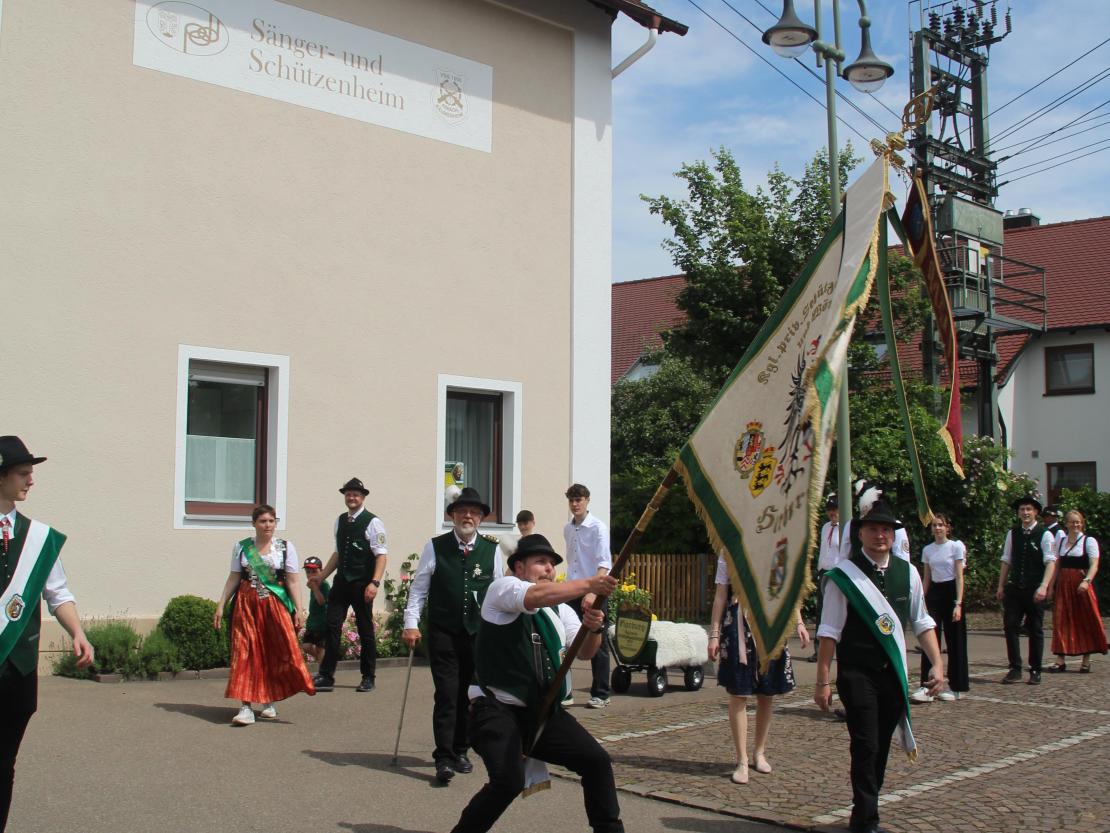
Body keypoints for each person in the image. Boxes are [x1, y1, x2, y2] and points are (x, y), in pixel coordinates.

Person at [450, 533, 622, 833]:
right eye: (540, 562)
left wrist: (594, 629)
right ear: (519, 567)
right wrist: (590, 584)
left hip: (543, 711)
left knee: (596, 762)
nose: (548, 569)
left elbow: (584, 652)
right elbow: (534, 597)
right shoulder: (502, 589)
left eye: (552, 564)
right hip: (496, 709)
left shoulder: (561, 610)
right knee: (508, 781)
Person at [815, 498, 943, 833]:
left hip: (892, 675)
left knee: (881, 744)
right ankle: (866, 819)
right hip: (856, 672)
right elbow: (829, 630)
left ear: (893, 535)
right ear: (861, 534)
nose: (880, 535)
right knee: (866, 743)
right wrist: (823, 680)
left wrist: (937, 663)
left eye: (886, 529)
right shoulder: (844, 576)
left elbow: (922, 621)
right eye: (873, 529)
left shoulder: (908, 572)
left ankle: (866, 809)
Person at [0, 436, 94, 832]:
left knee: (4, 763)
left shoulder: (38, 538)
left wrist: (78, 631)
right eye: (23, 473)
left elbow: (58, 593)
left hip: (18, 669)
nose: (31, 480)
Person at [404, 487, 504, 785]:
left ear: (481, 518)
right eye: (462, 511)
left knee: (469, 694)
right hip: (444, 631)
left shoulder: (492, 549)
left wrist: (501, 631)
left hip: (477, 634)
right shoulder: (435, 546)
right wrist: (411, 623)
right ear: (453, 516)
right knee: (447, 694)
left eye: (474, 512)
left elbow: (498, 593)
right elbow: (419, 588)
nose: (468, 516)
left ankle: (461, 749)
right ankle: (444, 757)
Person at [708, 554, 809, 783]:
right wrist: (714, 634)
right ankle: (741, 759)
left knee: (767, 692)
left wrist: (799, 622)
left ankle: (759, 751)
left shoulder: (776, 546)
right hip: (738, 624)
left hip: (769, 622)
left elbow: (787, 589)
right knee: (738, 693)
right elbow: (721, 594)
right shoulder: (730, 548)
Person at [214, 504, 313, 725]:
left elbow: (293, 581)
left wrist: (299, 609)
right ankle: (246, 706)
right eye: (262, 521)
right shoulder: (241, 547)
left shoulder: (285, 547)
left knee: (275, 650)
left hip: (275, 605)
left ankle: (268, 700)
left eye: (271, 521)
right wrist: (221, 604)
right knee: (245, 651)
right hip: (246, 605)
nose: (267, 525)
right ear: (254, 523)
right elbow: (234, 577)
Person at [313, 477, 388, 693]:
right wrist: (322, 576)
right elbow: (338, 553)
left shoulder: (373, 522)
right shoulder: (340, 520)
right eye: (348, 494)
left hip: (362, 583)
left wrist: (374, 583)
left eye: (355, 494)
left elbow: (381, 556)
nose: (351, 497)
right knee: (332, 626)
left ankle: (368, 677)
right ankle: (326, 675)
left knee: (365, 630)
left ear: (363, 497)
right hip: (341, 583)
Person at [997, 495, 1056, 685]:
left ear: (1036, 512)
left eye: (1029, 509)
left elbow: (1050, 562)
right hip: (1015, 587)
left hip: (1034, 587)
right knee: (1010, 626)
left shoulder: (1045, 534)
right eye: (1022, 509)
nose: (1025, 513)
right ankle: (1015, 668)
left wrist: (1044, 586)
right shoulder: (1013, 533)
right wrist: (1001, 585)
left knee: (1035, 629)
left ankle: (1035, 669)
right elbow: (1006, 559)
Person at [563, 483, 613, 709]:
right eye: (572, 500)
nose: (575, 504)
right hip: (573, 589)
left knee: (597, 641)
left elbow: (604, 563)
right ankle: (565, 691)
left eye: (579, 500)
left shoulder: (598, 527)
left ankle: (601, 693)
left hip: (595, 590)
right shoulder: (568, 528)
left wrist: (593, 591)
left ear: (587, 500)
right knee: (566, 639)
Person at [913, 514, 968, 702]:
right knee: (929, 637)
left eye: (941, 525)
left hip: (951, 591)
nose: (937, 528)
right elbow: (927, 577)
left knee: (955, 641)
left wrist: (958, 603)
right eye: (934, 525)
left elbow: (959, 576)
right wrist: (922, 599)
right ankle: (927, 686)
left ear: (947, 528)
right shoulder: (928, 549)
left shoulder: (955, 546)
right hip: (934, 593)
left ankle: (958, 686)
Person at [1048, 510, 1106, 673]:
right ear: (1066, 524)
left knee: (1084, 619)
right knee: (1061, 620)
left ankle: (1086, 660)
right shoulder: (1061, 541)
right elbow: (1056, 566)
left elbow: (1094, 564)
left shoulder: (1088, 541)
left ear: (1082, 523)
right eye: (1072, 522)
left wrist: (1087, 581)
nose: (1075, 525)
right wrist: (1051, 586)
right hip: (1063, 585)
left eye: (1078, 522)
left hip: (1080, 584)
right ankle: (1060, 659)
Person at [838, 482, 912, 563]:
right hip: (856, 570)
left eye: (885, 529)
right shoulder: (851, 525)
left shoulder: (895, 525)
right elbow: (843, 558)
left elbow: (902, 560)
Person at [808, 493, 841, 661]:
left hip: (838, 573)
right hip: (824, 572)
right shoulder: (826, 527)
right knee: (821, 611)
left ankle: (840, 649)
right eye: (830, 510)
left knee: (838, 611)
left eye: (835, 509)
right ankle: (818, 650)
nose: (832, 513)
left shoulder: (846, 527)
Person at [301, 556, 330, 664]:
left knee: (321, 648)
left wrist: (315, 588)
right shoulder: (313, 585)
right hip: (312, 622)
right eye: (308, 572)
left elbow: (321, 601)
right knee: (306, 646)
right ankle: (321, 660)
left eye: (314, 571)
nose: (311, 575)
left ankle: (323, 669)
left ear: (321, 571)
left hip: (323, 623)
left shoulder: (324, 585)